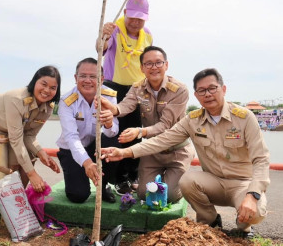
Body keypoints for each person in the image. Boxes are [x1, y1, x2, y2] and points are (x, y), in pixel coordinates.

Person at [101, 68, 270, 238]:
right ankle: (210, 221)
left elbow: (261, 159)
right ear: (196, 95)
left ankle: (244, 228)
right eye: (202, 90)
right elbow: (162, 140)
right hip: (214, 181)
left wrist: (253, 194)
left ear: (223, 89)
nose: (208, 94)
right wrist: (125, 152)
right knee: (187, 180)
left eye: (212, 88)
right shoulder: (192, 120)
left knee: (254, 211)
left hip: (242, 183)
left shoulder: (244, 117)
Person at [99, 46, 195, 202]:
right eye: (148, 64)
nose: (154, 67)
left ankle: (177, 181)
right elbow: (125, 106)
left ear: (166, 65)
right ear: (142, 68)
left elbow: (165, 125)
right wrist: (113, 109)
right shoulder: (137, 87)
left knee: (169, 195)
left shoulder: (179, 90)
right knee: (144, 194)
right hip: (152, 151)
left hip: (177, 150)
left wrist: (139, 132)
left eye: (158, 63)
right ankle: (164, 180)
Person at [96, 0, 153, 195]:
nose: (136, 22)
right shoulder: (115, 29)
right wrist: (103, 36)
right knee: (114, 134)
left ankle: (131, 175)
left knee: (135, 133)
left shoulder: (147, 35)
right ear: (126, 13)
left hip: (138, 89)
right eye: (133, 17)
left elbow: (148, 61)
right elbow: (99, 50)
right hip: (114, 87)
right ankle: (115, 179)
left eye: (141, 18)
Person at [0, 66, 61, 192]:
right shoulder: (16, 99)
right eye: (43, 84)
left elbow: (29, 135)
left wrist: (41, 153)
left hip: (9, 129)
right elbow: (17, 140)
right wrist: (32, 174)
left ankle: (17, 198)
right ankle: (8, 200)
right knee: (11, 159)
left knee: (30, 157)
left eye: (53, 88)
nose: (47, 90)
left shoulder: (48, 107)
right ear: (35, 82)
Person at [56, 58, 119, 203]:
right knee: (78, 196)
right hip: (72, 150)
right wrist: (87, 163)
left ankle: (104, 185)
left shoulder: (109, 96)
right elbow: (71, 137)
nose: (87, 80)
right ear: (75, 78)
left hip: (94, 145)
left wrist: (109, 124)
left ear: (101, 79)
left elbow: (112, 132)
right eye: (83, 76)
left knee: (115, 140)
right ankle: (80, 177)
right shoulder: (66, 101)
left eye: (93, 76)